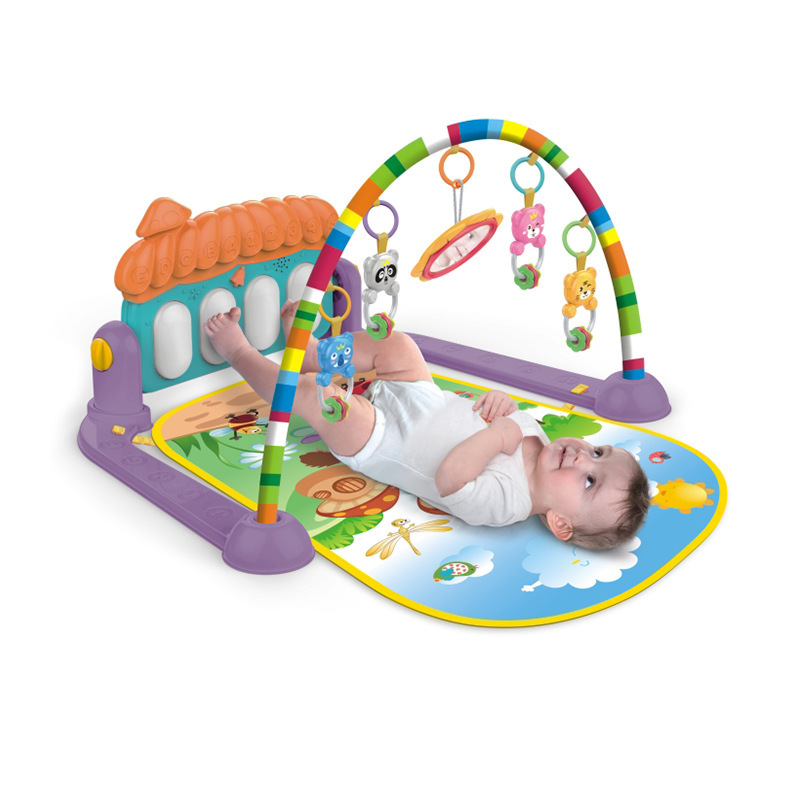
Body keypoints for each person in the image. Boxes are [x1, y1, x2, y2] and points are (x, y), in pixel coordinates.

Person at [204, 302, 650, 550]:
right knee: (398, 345)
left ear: (559, 523)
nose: (583, 457)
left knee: (316, 397)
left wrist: (499, 434)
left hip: (382, 438)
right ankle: (317, 353)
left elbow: (450, 477)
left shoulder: (507, 503)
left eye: (589, 481)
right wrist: (503, 404)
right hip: (421, 398)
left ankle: (239, 353)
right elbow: (491, 411)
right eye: (599, 452)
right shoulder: (542, 439)